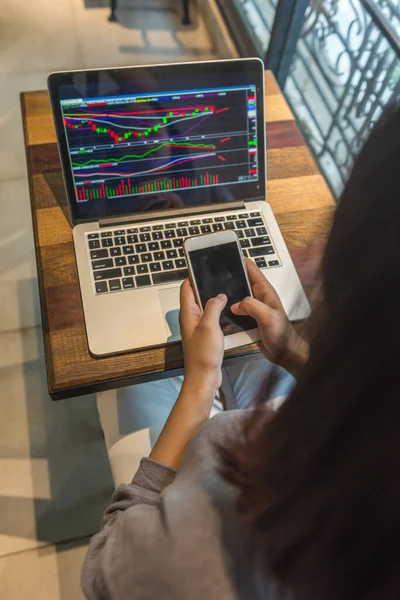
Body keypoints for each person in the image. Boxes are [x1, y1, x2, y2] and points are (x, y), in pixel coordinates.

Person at [82, 102, 400, 600]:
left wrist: (199, 384)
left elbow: (103, 565)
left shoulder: (214, 537)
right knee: (249, 341)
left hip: (213, 481)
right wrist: (294, 350)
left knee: (142, 364)